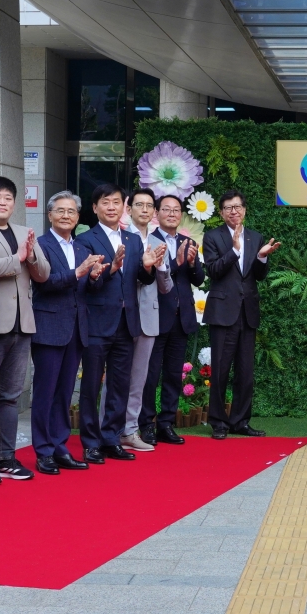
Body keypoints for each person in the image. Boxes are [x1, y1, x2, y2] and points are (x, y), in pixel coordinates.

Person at [75, 183, 154, 460]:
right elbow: (85, 284)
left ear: (124, 207)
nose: (111, 207)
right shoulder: (85, 240)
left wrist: (147, 267)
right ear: (95, 208)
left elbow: (141, 280)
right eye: (105, 202)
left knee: (120, 383)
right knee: (92, 385)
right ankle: (91, 442)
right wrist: (106, 273)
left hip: (126, 322)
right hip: (97, 323)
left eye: (116, 202)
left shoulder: (132, 240)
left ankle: (111, 437)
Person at [0, 175, 49, 475]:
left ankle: (7, 458)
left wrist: (30, 255)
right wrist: (15, 259)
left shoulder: (24, 232)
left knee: (10, 396)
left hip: (23, 325)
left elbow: (43, 274)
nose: (3, 203)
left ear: (15, 203)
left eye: (8, 198)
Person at [202, 191, 278, 439]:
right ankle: (218, 422)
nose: (233, 211)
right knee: (221, 370)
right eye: (228, 208)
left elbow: (258, 276)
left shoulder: (256, 238)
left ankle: (240, 421)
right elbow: (213, 271)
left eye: (237, 207)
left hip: (248, 312)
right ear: (221, 213)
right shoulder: (213, 236)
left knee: (246, 372)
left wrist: (261, 257)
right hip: (222, 312)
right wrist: (234, 251)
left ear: (245, 210)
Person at [29, 191, 94, 473]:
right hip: (49, 327)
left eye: (71, 211)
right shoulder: (39, 246)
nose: (66, 215)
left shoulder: (82, 248)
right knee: (45, 392)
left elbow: (83, 290)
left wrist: (94, 275)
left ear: (78, 217)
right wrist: (77, 274)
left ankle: (60, 446)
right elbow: (42, 283)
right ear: (49, 215)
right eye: (61, 211)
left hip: (76, 328)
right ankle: (43, 451)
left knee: (66, 392)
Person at [148, 193, 206, 444]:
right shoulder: (147, 241)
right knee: (150, 375)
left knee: (173, 374)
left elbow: (199, 279)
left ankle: (166, 424)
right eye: (166, 209)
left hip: (181, 318)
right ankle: (145, 424)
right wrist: (177, 261)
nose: (172, 214)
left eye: (176, 210)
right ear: (157, 214)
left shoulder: (188, 240)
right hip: (155, 316)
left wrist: (192, 263)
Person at [121, 187, 170, 452]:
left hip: (149, 317)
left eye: (149, 205)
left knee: (138, 379)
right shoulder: (120, 239)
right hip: (122, 316)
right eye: (139, 204)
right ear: (129, 209)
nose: (144, 209)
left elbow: (167, 287)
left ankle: (129, 430)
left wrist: (159, 266)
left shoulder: (158, 241)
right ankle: (109, 428)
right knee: (117, 377)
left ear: (153, 212)